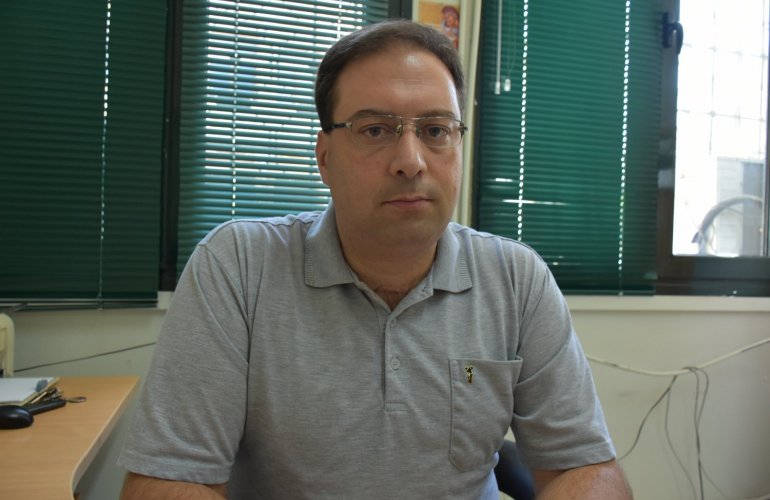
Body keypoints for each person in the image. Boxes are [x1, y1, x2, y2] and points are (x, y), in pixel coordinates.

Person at [118, 19, 633, 499]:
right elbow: (167, 480)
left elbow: (585, 467)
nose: (410, 161)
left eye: (436, 130)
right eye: (375, 130)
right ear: (325, 158)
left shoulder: (516, 278)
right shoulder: (238, 267)